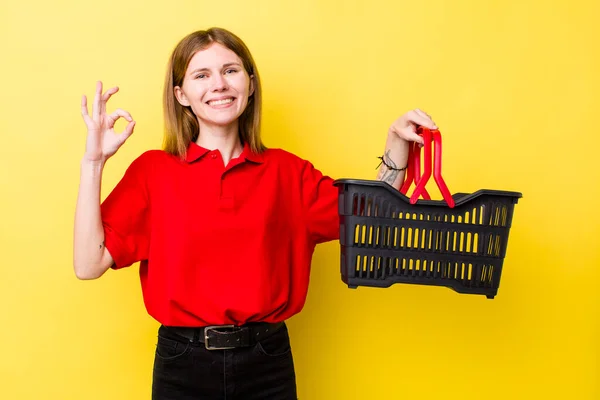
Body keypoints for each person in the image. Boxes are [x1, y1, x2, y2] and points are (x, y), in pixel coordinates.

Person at [74, 27, 438, 400]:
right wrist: (93, 163)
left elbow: (369, 215)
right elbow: (88, 264)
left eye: (230, 70)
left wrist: (396, 146)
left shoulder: (287, 172)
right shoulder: (153, 171)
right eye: (202, 75)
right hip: (182, 364)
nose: (219, 84)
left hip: (267, 362)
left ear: (249, 84)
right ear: (181, 95)